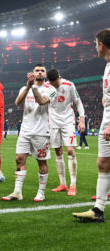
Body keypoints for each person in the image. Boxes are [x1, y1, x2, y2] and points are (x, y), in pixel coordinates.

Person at [1, 64, 56, 202]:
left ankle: (41, 192)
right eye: (37, 70)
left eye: (42, 71)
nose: (39, 73)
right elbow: (17, 103)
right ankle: (17, 192)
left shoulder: (53, 90)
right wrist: (27, 87)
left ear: (46, 74)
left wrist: (33, 87)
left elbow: (42, 102)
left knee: (41, 162)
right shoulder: (24, 88)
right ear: (32, 73)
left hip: (42, 131)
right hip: (25, 130)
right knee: (19, 159)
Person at [73, 29, 110, 222]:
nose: (95, 47)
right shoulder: (107, 66)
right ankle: (98, 210)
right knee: (103, 164)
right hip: (106, 119)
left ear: (101, 45)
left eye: (95, 44)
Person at [46, 69, 85, 196]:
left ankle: (73, 185)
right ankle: (63, 184)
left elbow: (78, 102)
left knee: (70, 150)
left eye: (56, 83)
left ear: (60, 77)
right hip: (53, 122)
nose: (54, 86)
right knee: (58, 151)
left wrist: (82, 120)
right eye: (52, 83)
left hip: (68, 120)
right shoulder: (47, 86)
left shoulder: (69, 85)